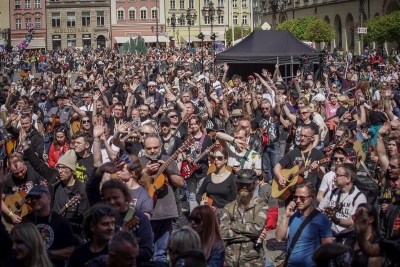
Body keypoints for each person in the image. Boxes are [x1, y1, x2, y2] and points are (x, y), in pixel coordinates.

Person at [86, 159, 154, 265]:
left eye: (115, 197)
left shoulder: (139, 218)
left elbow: (147, 251)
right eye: (107, 199)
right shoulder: (101, 214)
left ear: (125, 196)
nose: (112, 202)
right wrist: (101, 170)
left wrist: (123, 255)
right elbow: (90, 188)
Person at [139, 133, 184, 261]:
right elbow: (130, 183)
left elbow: (180, 183)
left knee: (161, 253)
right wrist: (144, 172)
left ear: (161, 146)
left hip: (165, 212)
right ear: (144, 148)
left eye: (155, 147)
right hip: (145, 213)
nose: (152, 151)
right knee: (145, 252)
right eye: (149, 148)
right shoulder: (140, 162)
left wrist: (167, 170)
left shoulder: (168, 159)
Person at [275, 181, 333, 267]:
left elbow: (327, 249)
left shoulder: (321, 219)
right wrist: (286, 216)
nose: (298, 201)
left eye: (302, 198)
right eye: (295, 197)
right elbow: (279, 238)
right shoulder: (292, 215)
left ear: (312, 197)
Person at [220, 169, 268, 267]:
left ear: (255, 184)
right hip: (231, 261)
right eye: (241, 184)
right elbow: (222, 233)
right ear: (236, 184)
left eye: (248, 184)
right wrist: (251, 235)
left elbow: (256, 230)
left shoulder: (261, 206)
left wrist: (232, 226)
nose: (244, 187)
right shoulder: (229, 207)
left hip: (253, 261)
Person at [22, 185, 75, 267]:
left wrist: (47, 253)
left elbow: (70, 251)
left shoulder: (62, 222)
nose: (34, 200)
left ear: (49, 198)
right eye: (31, 198)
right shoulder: (27, 222)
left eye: (38, 197)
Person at [318, 163, 367, 240]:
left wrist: (336, 220)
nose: (334, 177)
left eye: (338, 175)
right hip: (330, 236)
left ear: (348, 179)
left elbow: (352, 223)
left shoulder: (359, 198)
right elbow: (319, 209)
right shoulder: (332, 192)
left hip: (348, 239)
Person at [274, 125, 326, 190]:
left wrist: (318, 169)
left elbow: (323, 176)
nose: (302, 138)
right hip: (292, 191)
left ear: (312, 138)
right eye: (301, 135)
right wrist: (280, 177)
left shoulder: (318, 154)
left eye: (305, 136)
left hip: (309, 193)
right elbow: (277, 166)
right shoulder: (294, 152)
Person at [1, 152, 45, 225]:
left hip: (36, 213)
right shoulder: (9, 178)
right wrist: (11, 215)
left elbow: (45, 192)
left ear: (24, 163)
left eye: (22, 171)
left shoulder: (34, 171)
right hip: (19, 218)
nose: (20, 174)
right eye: (16, 173)